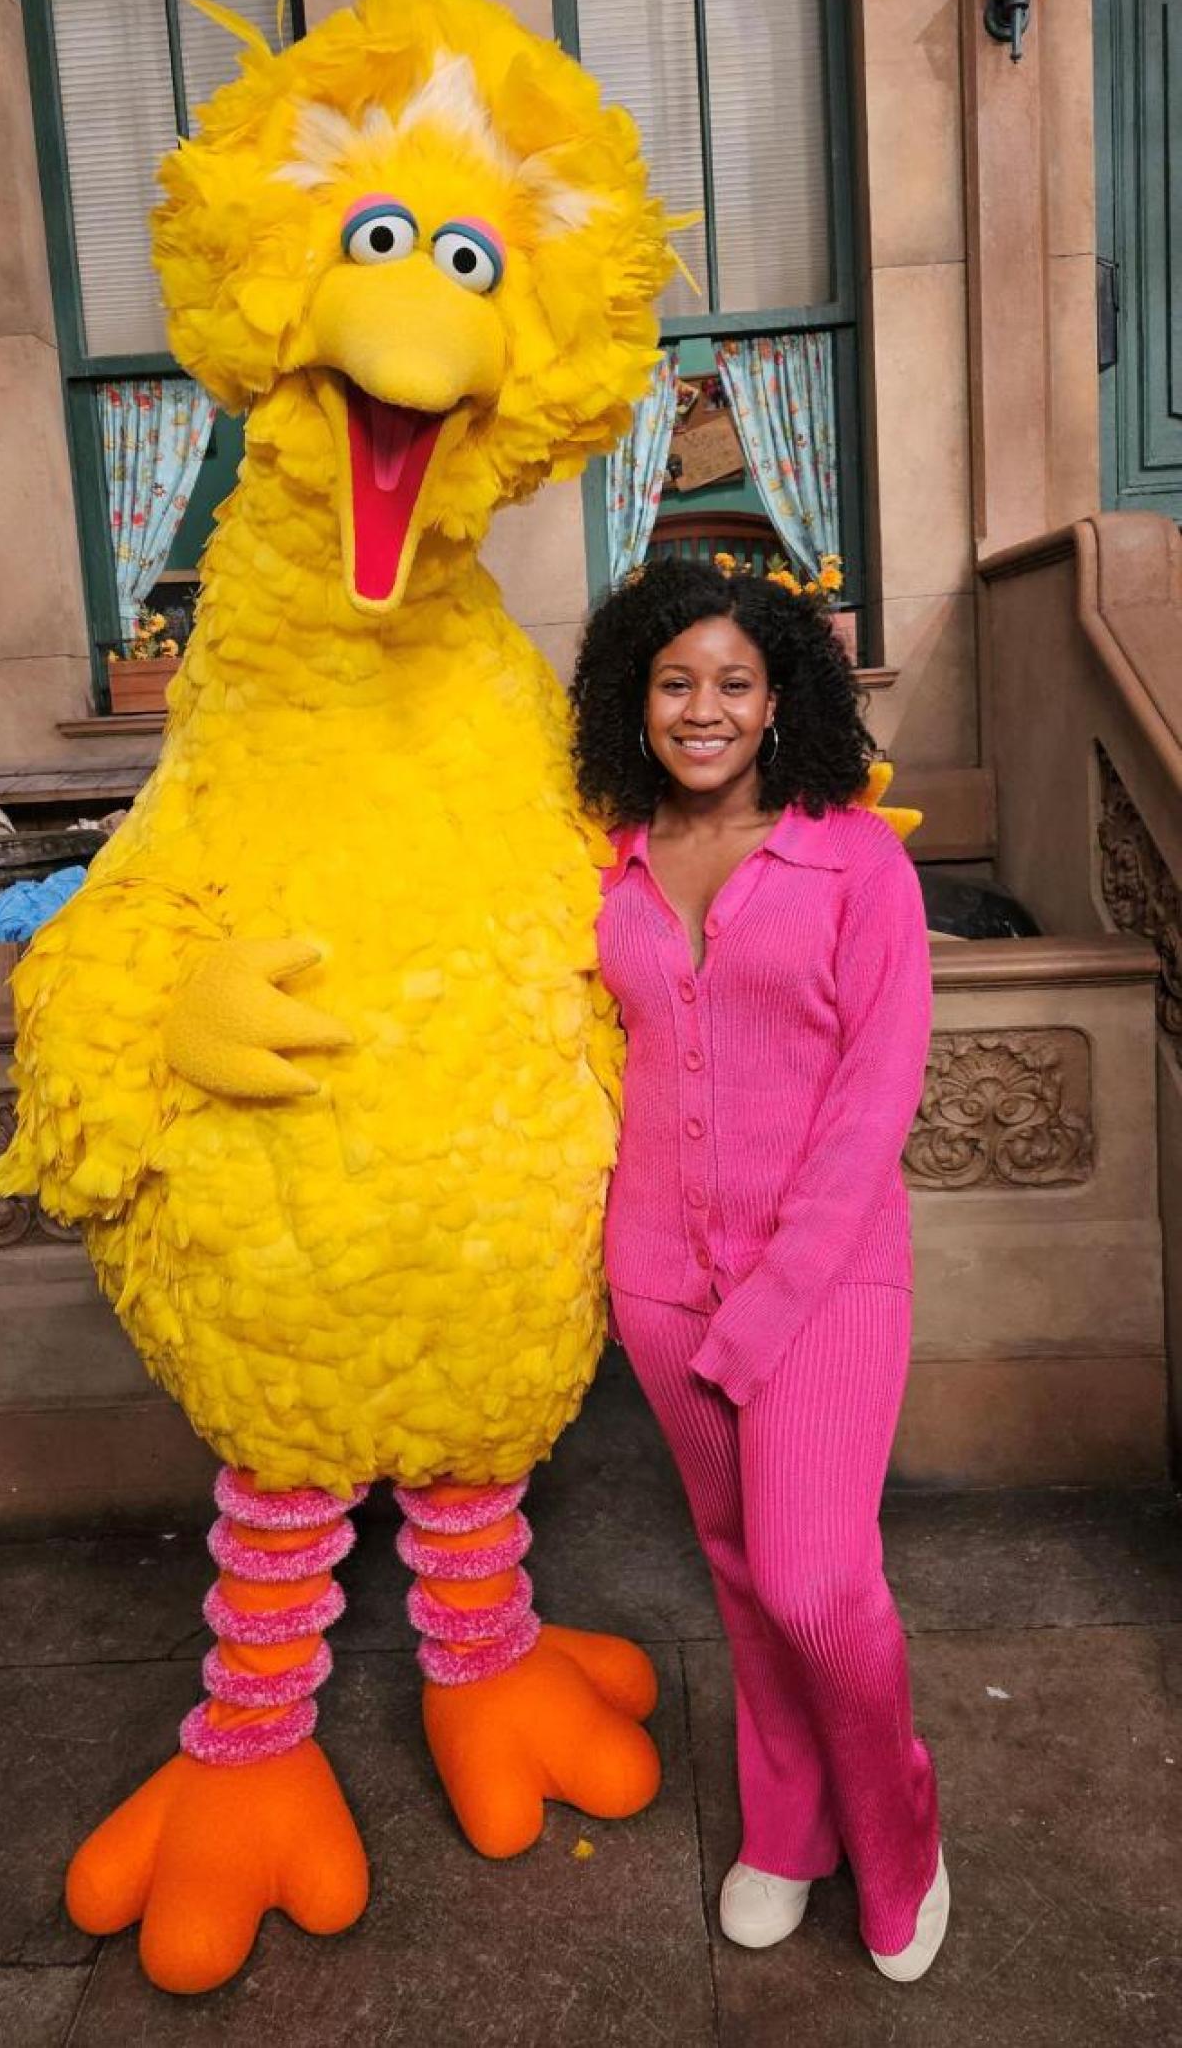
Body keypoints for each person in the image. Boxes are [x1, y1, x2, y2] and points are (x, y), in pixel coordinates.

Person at [571, 555, 948, 1982]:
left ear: (780, 696)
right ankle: (785, 1828)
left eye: (734, 681)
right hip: (660, 1279)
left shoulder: (856, 859)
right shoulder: (604, 858)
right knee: (738, 1574)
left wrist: (771, 1307)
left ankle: (895, 1820)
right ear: (638, 700)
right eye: (677, 683)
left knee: (813, 1580)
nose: (705, 707)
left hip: (826, 1283)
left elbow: (874, 1097)